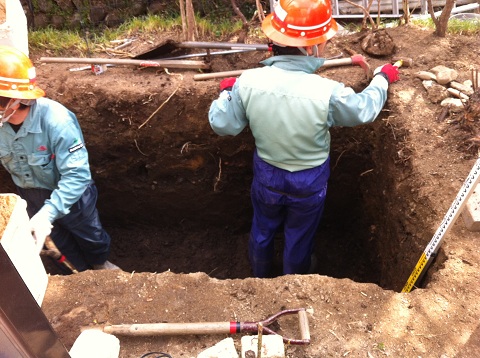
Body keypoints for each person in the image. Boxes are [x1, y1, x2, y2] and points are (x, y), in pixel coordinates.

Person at [208, 0, 400, 278]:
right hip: (308, 180)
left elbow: (223, 123)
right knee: (299, 235)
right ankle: (295, 282)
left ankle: (259, 276)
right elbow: (362, 110)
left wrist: (227, 93)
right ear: (310, 47)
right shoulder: (329, 91)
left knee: (263, 228)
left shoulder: (248, 81)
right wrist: (382, 78)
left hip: (267, 174)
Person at [0, 45, 120, 272]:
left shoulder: (57, 121)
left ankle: (100, 265)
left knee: (91, 238)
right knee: (60, 246)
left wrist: (48, 213)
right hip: (32, 195)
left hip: (72, 196)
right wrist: (41, 213)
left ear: (15, 100)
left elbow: (77, 175)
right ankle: (79, 276)